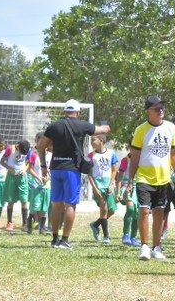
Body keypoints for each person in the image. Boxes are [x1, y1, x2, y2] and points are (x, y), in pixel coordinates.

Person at [38, 99, 110, 249]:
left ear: (65, 111)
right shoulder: (82, 125)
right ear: (78, 112)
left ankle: (54, 239)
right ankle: (65, 240)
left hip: (56, 168)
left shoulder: (54, 126)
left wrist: (44, 166)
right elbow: (101, 130)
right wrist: (106, 127)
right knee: (70, 205)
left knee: (56, 205)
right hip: (72, 170)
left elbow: (41, 146)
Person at [126, 95, 175, 260]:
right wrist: (130, 180)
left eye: (162, 107)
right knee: (144, 210)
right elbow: (134, 157)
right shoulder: (141, 130)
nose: (161, 111)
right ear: (148, 112)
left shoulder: (171, 128)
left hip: (163, 178)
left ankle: (156, 247)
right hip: (144, 177)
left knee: (159, 212)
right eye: (156, 108)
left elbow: (174, 155)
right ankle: (144, 247)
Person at [88, 134, 118, 244]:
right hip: (98, 186)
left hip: (108, 185)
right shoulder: (90, 156)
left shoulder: (112, 154)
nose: (91, 142)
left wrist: (111, 184)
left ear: (101, 140)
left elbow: (114, 171)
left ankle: (95, 224)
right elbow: (89, 174)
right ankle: (106, 237)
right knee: (104, 210)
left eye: (93, 140)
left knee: (112, 211)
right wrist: (95, 188)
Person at [0, 139, 31, 231]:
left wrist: (24, 169)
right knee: (11, 200)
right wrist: (10, 169)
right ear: (18, 147)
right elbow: (2, 161)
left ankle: (24, 224)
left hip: (22, 177)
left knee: (24, 200)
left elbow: (29, 162)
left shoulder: (28, 150)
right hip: (11, 176)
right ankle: (9, 222)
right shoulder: (10, 149)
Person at [27, 131, 52, 234]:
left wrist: (47, 177)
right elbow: (30, 169)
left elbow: (51, 169)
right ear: (36, 142)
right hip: (36, 184)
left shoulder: (51, 155)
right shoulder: (34, 155)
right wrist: (38, 177)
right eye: (39, 141)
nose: (42, 144)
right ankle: (29, 222)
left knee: (44, 207)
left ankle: (42, 228)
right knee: (35, 206)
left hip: (46, 185)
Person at [115, 150, 140, 247]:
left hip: (138, 187)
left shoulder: (142, 159)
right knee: (130, 209)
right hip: (126, 187)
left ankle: (133, 237)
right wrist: (118, 193)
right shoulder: (125, 160)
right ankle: (126, 234)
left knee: (137, 213)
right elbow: (119, 178)